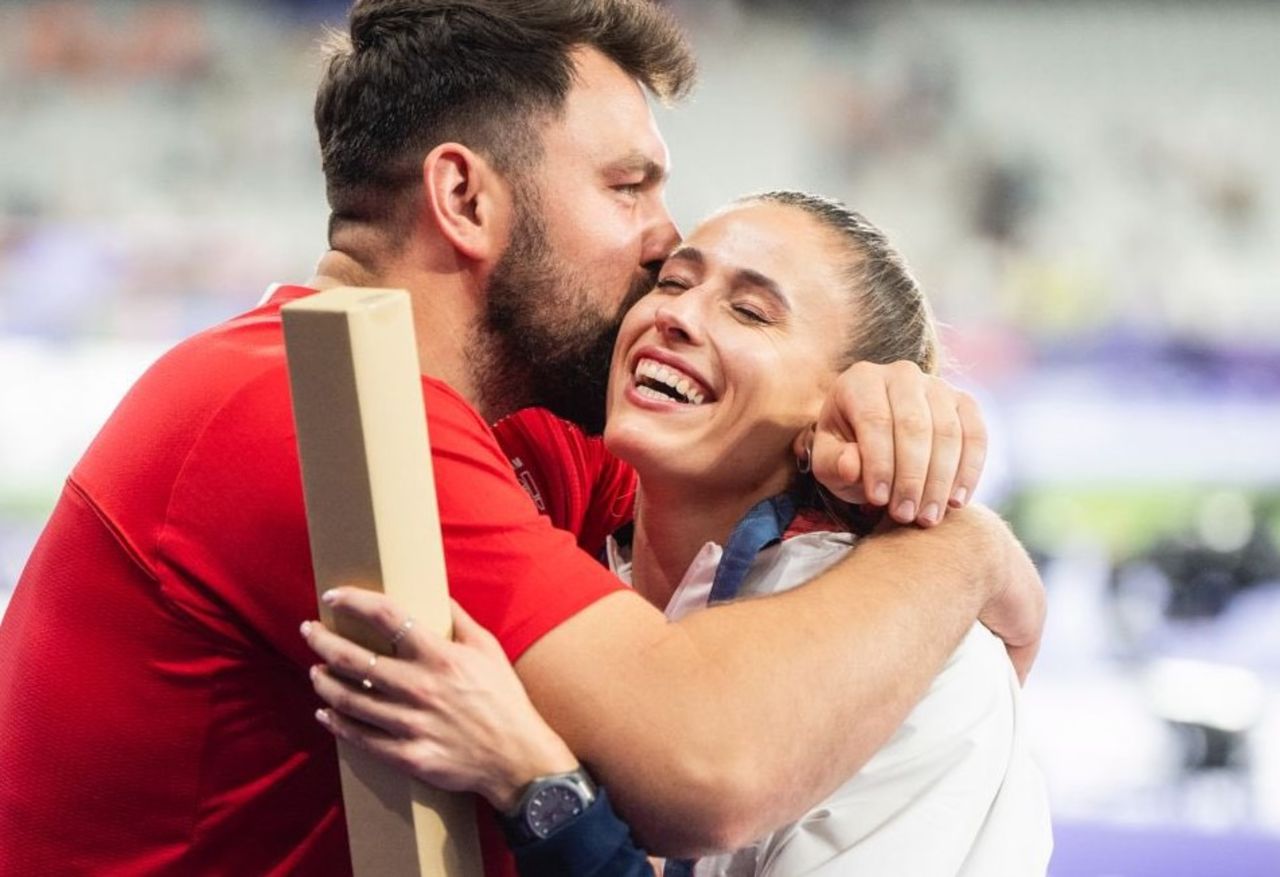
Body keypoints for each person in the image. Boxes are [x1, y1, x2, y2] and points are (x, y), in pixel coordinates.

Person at [0, 3, 1044, 876]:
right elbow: (705, 764)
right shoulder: (308, 417)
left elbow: (726, 474)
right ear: (464, 198)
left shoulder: (519, 429)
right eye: (626, 185)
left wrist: (881, 414)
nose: (661, 239)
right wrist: (964, 551)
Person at [303, 192, 1053, 876]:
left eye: (752, 312)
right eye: (672, 282)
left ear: (847, 411)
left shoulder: (922, 662)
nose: (679, 314)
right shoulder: (574, 555)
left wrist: (537, 783)